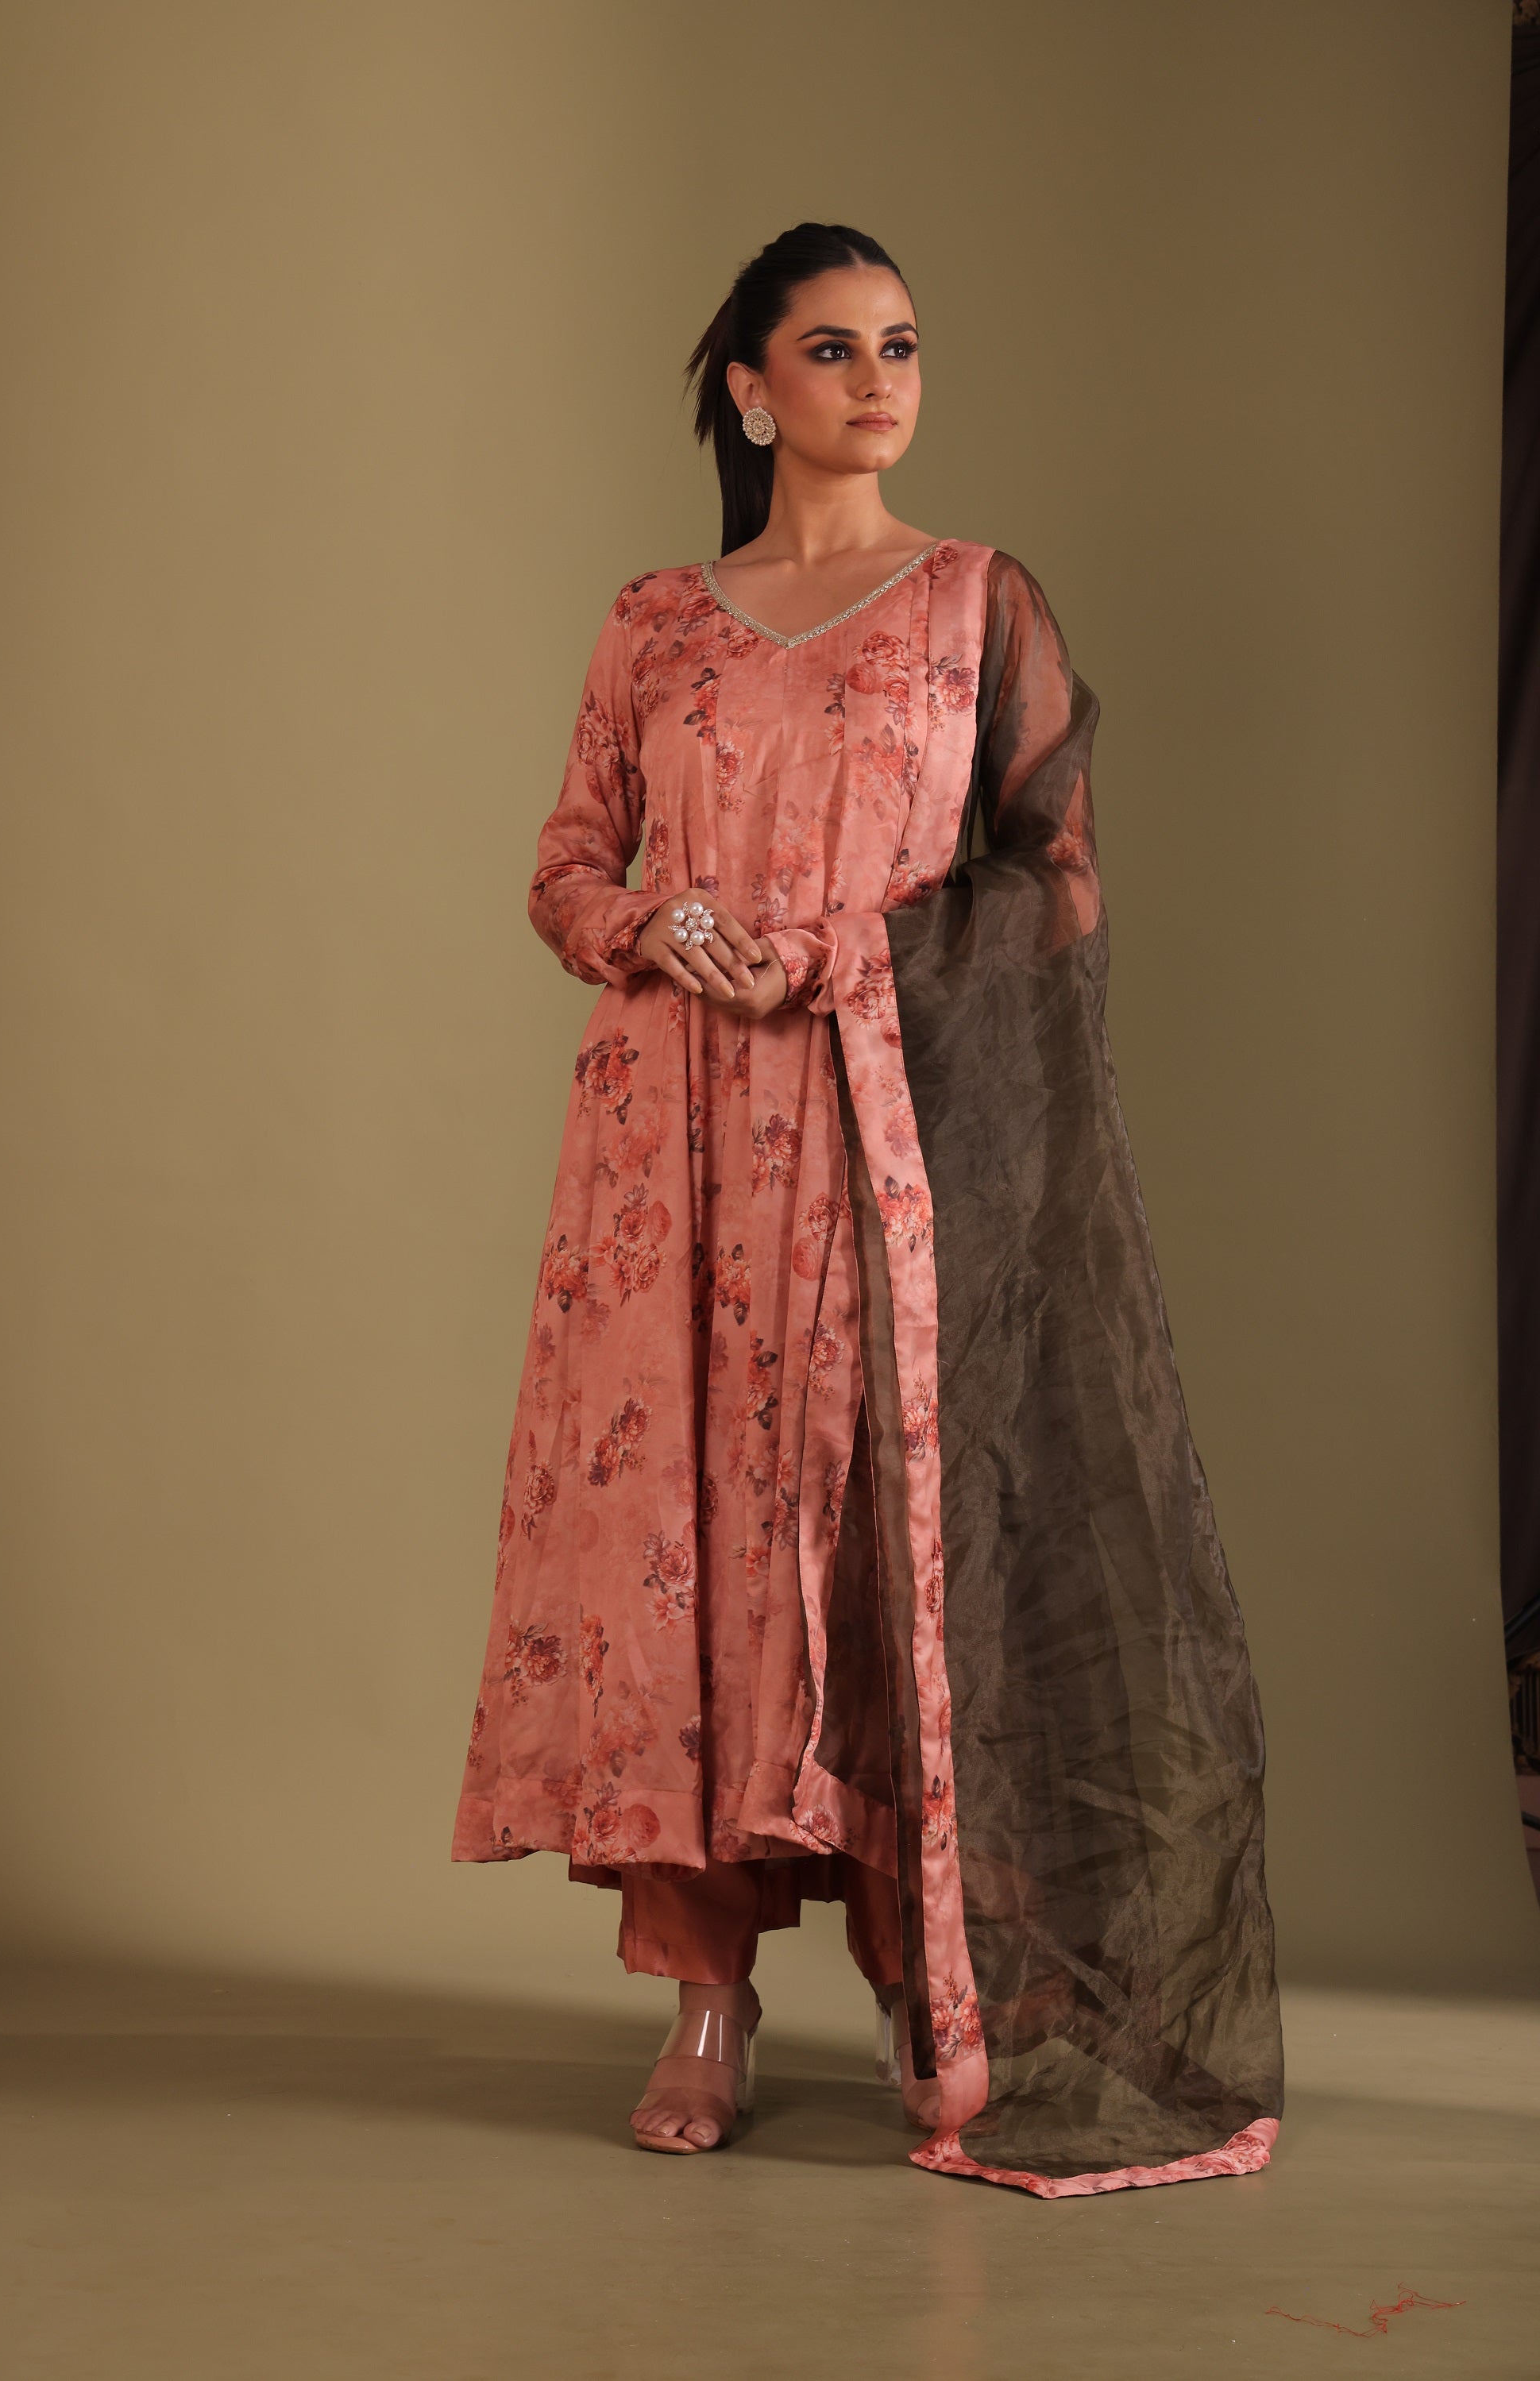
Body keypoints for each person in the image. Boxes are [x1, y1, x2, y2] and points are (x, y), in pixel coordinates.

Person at [453, 222, 1284, 2194]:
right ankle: (706, 1997)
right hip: (664, 1154)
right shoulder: (657, 622)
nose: (877, 380)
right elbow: (566, 860)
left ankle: (939, 1980)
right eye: (830, 350)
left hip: (891, 1135)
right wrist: (654, 921)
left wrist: (836, 951)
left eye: (900, 344)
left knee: (879, 1539)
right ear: (751, 391)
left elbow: (1054, 881)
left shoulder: (976, 602)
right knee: (685, 1550)